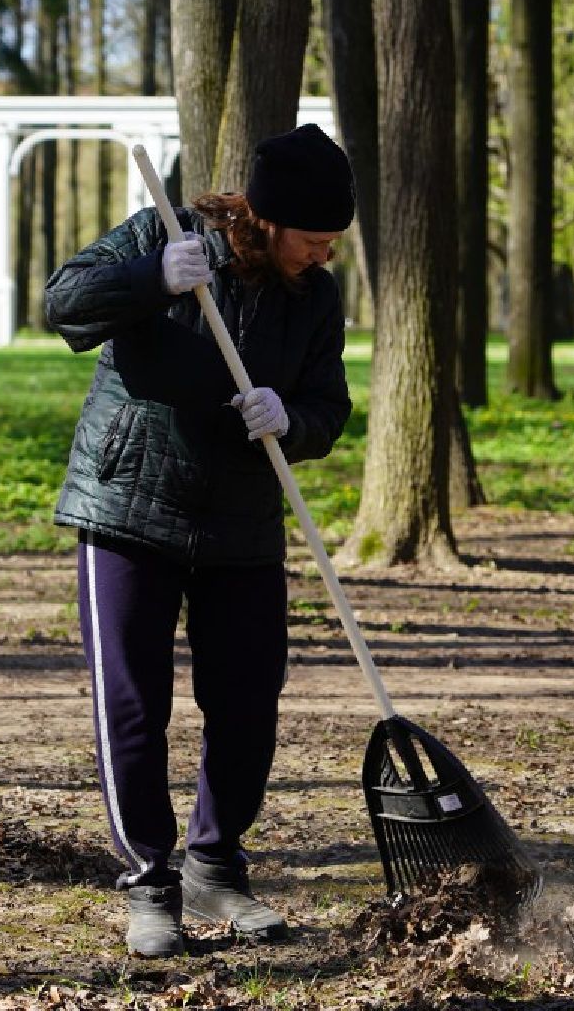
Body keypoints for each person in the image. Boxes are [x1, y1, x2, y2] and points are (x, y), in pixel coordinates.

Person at [44, 124, 355, 958]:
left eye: (333, 241)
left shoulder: (315, 297)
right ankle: (151, 880)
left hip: (241, 523)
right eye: (314, 237)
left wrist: (292, 419)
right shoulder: (166, 232)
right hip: (127, 507)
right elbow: (63, 304)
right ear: (268, 217)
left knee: (248, 702)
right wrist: (152, 278)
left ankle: (215, 866)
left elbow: (329, 405)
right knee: (134, 705)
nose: (324, 254)